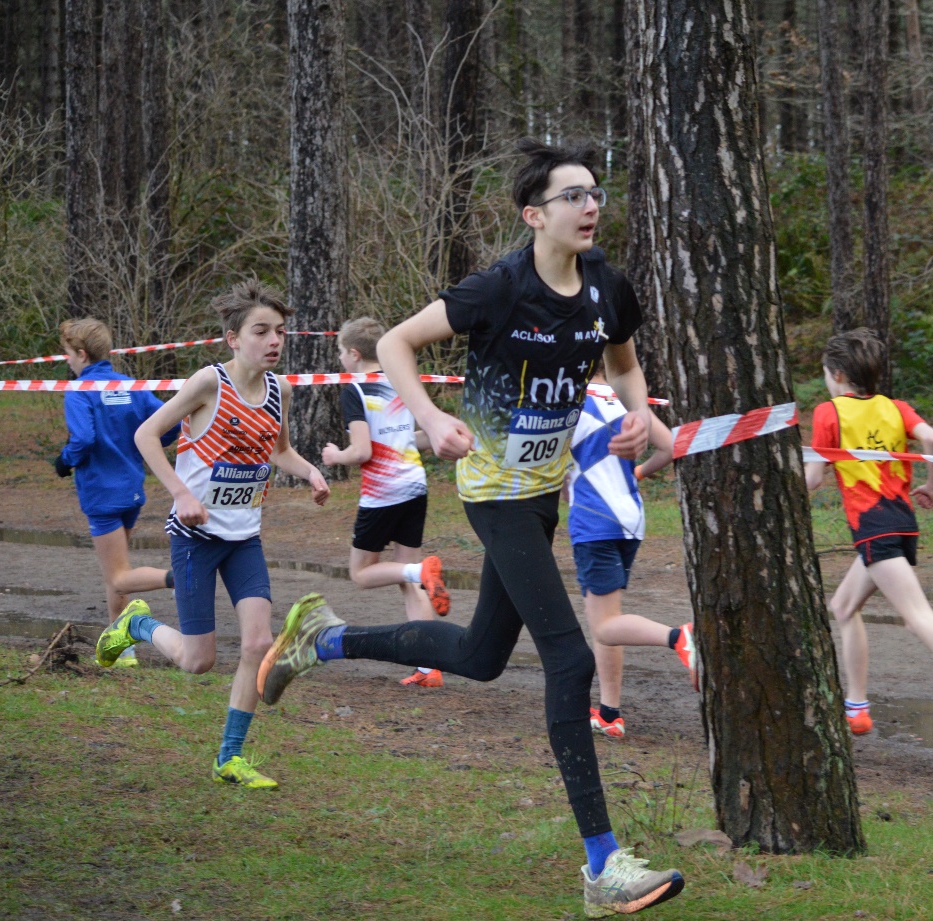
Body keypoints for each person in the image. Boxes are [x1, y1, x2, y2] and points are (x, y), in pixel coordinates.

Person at [255, 139, 684, 917]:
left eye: (596, 193)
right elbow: (393, 343)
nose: (591, 206)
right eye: (573, 196)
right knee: (569, 657)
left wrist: (640, 410)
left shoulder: (607, 289)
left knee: (482, 656)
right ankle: (601, 864)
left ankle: (324, 637)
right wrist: (426, 415)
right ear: (534, 215)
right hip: (492, 492)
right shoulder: (499, 289)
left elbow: (623, 365)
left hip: (547, 492)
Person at [93, 279, 335, 790]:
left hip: (245, 538)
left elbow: (279, 451)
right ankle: (135, 624)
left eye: (280, 332)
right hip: (195, 538)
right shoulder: (208, 384)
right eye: (261, 331)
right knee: (198, 661)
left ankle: (230, 757)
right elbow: (145, 435)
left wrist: (309, 471)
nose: (274, 341)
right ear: (233, 338)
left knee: (258, 643)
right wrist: (181, 492)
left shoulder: (280, 391)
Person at [804, 328, 933, 759]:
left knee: (917, 617)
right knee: (842, 607)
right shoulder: (895, 408)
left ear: (838, 375)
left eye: (825, 374)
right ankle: (856, 709)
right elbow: (932, 440)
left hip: (872, 523)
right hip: (901, 521)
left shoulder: (829, 413)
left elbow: (813, 478)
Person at [322, 316, 450, 688]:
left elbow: (361, 451)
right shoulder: (400, 382)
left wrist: (335, 455)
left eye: (340, 352)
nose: (339, 360)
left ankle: (420, 571)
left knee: (361, 574)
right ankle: (430, 669)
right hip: (415, 486)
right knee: (406, 578)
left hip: (383, 493)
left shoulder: (356, 388)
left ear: (354, 353)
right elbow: (415, 438)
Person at [570, 363, 696, 739]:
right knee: (609, 618)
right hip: (630, 518)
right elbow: (674, 446)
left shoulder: (567, 400)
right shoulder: (624, 398)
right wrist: (639, 473)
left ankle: (680, 637)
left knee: (605, 626)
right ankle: (609, 713)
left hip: (595, 521)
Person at [53, 319, 177, 666]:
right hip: (131, 492)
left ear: (81, 353)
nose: (67, 362)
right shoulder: (131, 385)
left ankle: (178, 578)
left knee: (119, 577)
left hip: (101, 495)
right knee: (117, 570)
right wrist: (153, 441)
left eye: (68, 354)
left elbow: (83, 439)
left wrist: (65, 460)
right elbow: (171, 423)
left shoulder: (79, 389)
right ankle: (121, 648)